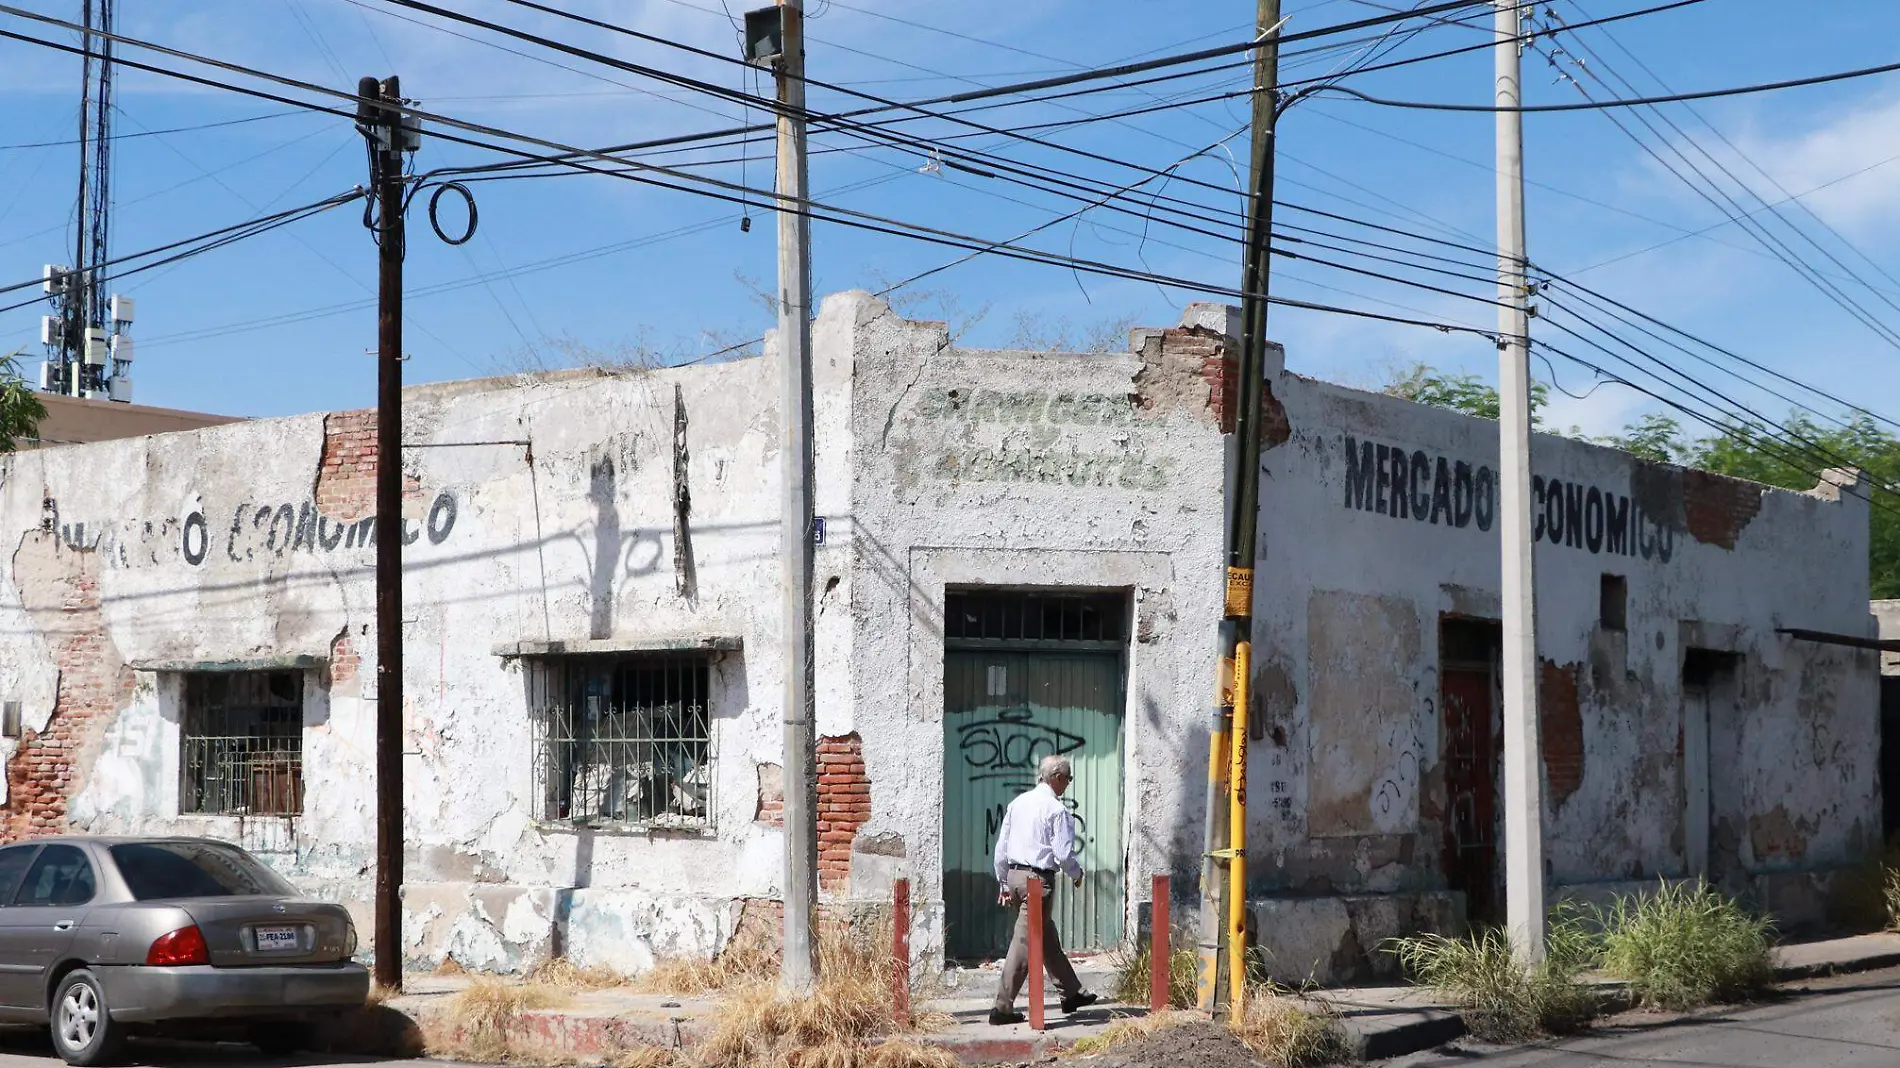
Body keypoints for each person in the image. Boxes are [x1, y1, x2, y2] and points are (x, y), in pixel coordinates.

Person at [988, 754, 1099, 1026]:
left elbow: (1001, 850)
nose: (1068, 784)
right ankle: (1002, 1007)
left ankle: (1071, 992)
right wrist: (1077, 873)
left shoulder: (1018, 803)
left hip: (1015, 878)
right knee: (1025, 943)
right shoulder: (1056, 810)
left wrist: (1004, 882)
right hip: (1037, 883)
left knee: (1046, 937)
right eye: (1068, 779)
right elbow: (1062, 855)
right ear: (1057, 777)